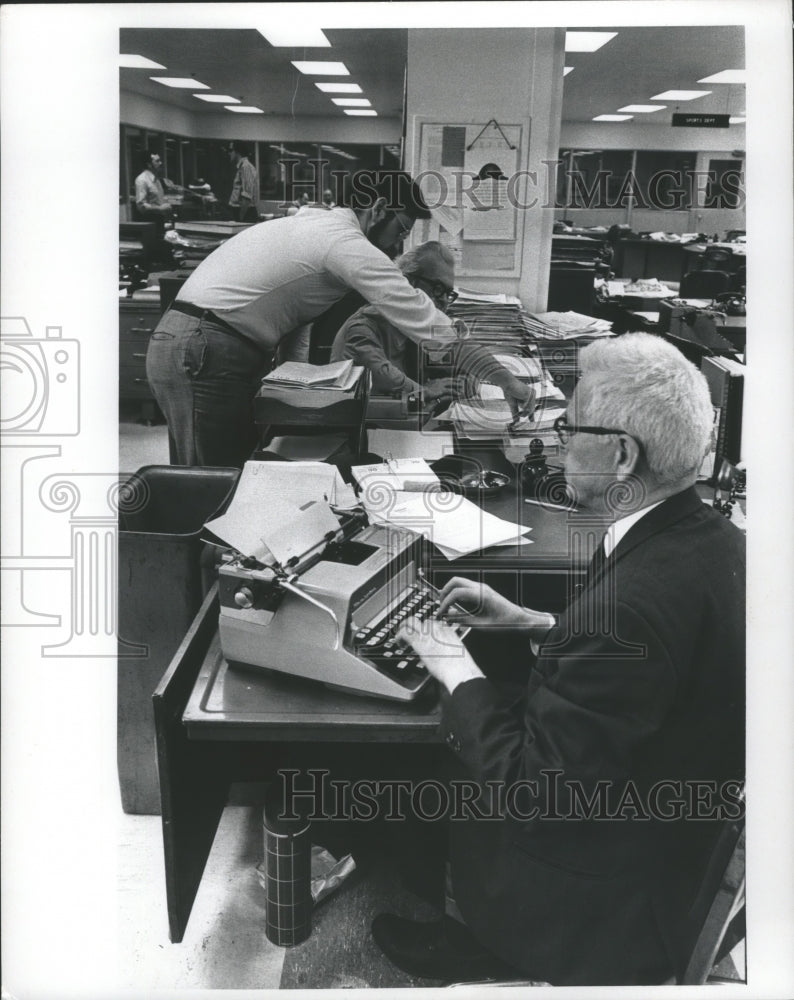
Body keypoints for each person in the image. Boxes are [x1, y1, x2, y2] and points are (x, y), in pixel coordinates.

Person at [372, 332, 745, 986]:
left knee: (431, 751)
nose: (556, 442)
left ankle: (494, 938)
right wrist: (536, 624)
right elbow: (648, 671)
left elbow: (535, 792)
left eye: (570, 427)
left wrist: (452, 666)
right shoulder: (708, 539)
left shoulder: (637, 598)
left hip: (608, 899)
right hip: (672, 828)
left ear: (623, 454)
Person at [145, 170, 533, 467]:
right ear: (378, 209)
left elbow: (292, 317)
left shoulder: (317, 225)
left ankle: (209, 569)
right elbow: (435, 330)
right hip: (206, 347)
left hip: (201, 344)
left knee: (213, 474)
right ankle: (204, 571)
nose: (398, 245)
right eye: (399, 230)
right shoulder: (346, 244)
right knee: (215, 485)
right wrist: (510, 382)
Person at [330, 241, 463, 408]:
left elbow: (448, 363)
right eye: (437, 288)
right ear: (406, 284)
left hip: (404, 420)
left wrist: (464, 375)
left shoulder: (418, 326)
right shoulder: (362, 328)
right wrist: (424, 391)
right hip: (367, 425)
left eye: (448, 293)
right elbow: (382, 376)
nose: (444, 300)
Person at [134, 152, 174, 225]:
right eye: (157, 161)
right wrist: (160, 209)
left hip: (161, 220)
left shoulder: (156, 180)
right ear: (149, 164)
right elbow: (141, 206)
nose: (161, 163)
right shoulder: (142, 180)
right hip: (150, 223)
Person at [228, 145, 259, 222]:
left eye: (231, 150)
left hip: (245, 212)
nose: (229, 153)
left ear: (237, 152)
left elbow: (247, 195)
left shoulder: (246, 167)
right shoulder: (241, 167)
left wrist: (240, 219)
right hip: (240, 210)